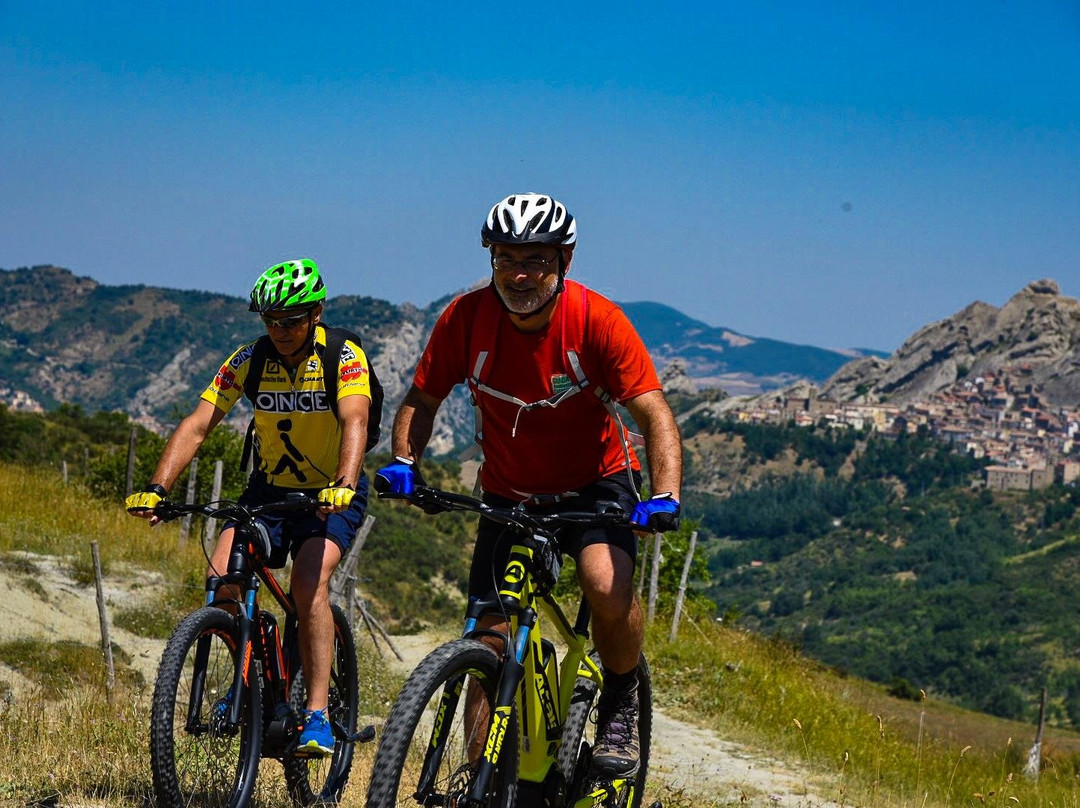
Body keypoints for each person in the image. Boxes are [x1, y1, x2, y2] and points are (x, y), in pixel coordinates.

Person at [376, 193, 682, 778]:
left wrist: (664, 494)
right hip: (509, 493)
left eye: (536, 260)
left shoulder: (598, 321)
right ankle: (478, 778)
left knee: (603, 584)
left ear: (563, 261)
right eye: (506, 258)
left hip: (596, 484)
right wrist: (404, 460)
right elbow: (422, 399)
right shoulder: (464, 318)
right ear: (491, 258)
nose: (520, 273)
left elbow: (654, 414)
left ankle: (618, 696)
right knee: (488, 635)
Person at [126, 258, 373, 758]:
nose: (280, 330)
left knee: (309, 584)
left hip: (331, 491)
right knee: (222, 580)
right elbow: (198, 424)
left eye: (291, 319)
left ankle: (318, 715)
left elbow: (355, 422)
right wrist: (157, 486)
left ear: (316, 313)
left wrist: (344, 483)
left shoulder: (342, 357)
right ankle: (248, 688)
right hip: (269, 491)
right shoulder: (248, 359)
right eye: (270, 320)